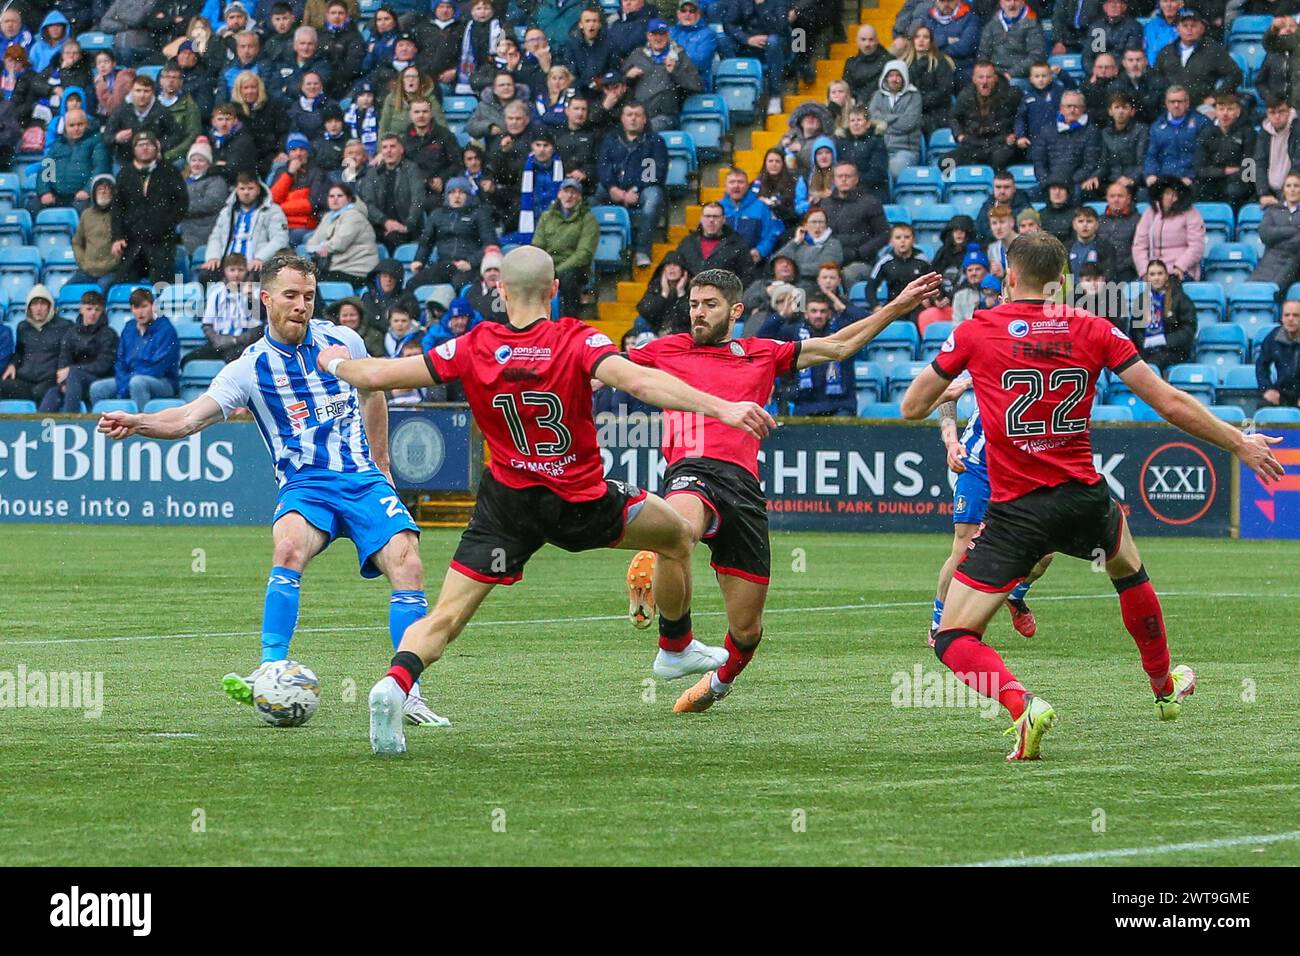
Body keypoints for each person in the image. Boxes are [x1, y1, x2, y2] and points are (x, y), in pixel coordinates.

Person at [315, 246, 776, 753]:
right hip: (580, 500)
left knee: (445, 617)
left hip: (506, 508)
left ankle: (394, 683)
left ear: (500, 291)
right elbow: (641, 382)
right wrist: (724, 408)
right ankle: (674, 645)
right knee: (676, 536)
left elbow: (375, 376)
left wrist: (334, 358)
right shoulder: (576, 339)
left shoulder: (474, 344)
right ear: (555, 289)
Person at [900, 231, 1284, 760]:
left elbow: (910, 406)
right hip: (1084, 498)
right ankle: (1163, 687)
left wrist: (958, 379)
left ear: (1009, 276)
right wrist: (1238, 441)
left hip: (1017, 511)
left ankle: (1022, 704)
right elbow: (1168, 402)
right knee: (1129, 572)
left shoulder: (976, 330)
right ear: (1062, 282)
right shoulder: (1093, 327)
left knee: (952, 637)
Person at [97, 252, 449, 727]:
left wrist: (382, 462)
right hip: (306, 485)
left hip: (363, 479)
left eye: (308, 295)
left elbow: (374, 391)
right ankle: (269, 668)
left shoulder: (343, 340)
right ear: (266, 299)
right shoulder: (249, 368)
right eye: (290, 295)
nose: (302, 305)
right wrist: (138, 421)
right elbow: (187, 417)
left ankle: (407, 691)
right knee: (287, 548)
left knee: (409, 563)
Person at [622, 267, 943, 714]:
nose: (698, 313)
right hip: (690, 468)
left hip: (744, 488)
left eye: (709, 305)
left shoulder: (762, 352)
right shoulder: (663, 350)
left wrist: (896, 307)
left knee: (748, 632)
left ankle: (715, 684)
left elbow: (840, 345)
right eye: (694, 304)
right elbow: (602, 370)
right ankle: (673, 642)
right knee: (677, 532)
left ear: (735, 310)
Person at [930, 380, 1052, 646]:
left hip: (1022, 471)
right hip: (977, 468)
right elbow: (946, 395)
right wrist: (951, 442)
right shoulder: (988, 352)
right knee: (963, 550)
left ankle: (1015, 595)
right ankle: (939, 621)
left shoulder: (1053, 367)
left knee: (1045, 553)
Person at [111, 129, 189, 286]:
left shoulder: (170, 171)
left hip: (161, 242)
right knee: (124, 287)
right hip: (132, 242)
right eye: (140, 145)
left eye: (149, 144)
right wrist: (117, 237)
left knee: (162, 285)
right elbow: (117, 208)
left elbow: (182, 203)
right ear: (134, 149)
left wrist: (165, 223)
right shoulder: (125, 174)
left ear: (156, 148)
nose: (145, 148)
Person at [596, 101, 666, 269]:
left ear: (644, 119)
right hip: (613, 189)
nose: (633, 119)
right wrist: (613, 188)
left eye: (637, 115)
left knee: (653, 196)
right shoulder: (611, 140)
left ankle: (642, 250)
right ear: (622, 118)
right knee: (594, 196)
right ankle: (598, 249)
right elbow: (603, 167)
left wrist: (634, 190)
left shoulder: (654, 141)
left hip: (640, 191)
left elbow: (654, 173)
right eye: (629, 115)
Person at [86, 288, 179, 411]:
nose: (140, 312)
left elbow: (159, 367)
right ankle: (104, 426)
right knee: (98, 388)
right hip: (129, 379)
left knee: (138, 383)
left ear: (153, 306)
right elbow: (120, 361)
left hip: (163, 382)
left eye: (144, 306)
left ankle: (142, 425)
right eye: (136, 308)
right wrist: (125, 381)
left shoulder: (166, 329)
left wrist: (128, 381)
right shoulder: (129, 328)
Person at [409, 176, 495, 288]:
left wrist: (471, 262)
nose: (457, 196)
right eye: (452, 192)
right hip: (444, 265)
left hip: (468, 267)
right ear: (447, 196)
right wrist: (419, 260)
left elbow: (491, 244)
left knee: (458, 284)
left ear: (468, 196)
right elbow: (426, 242)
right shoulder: (437, 214)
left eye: (461, 192)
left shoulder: (479, 214)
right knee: (412, 283)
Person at [530, 178, 598, 316]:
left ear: (579, 197)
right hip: (548, 266)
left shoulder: (588, 219)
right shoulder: (546, 216)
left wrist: (557, 271)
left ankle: (569, 321)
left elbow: (584, 254)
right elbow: (537, 246)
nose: (569, 196)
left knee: (569, 279)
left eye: (574, 193)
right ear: (559, 194)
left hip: (575, 268)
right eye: (566, 192)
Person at [202, 172, 291, 277]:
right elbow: (215, 237)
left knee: (260, 276)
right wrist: (213, 257)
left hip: (257, 264)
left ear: (258, 190)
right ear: (236, 190)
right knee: (206, 275)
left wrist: (260, 258)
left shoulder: (273, 210)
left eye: (250, 188)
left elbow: (280, 239)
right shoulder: (227, 212)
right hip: (228, 264)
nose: (246, 192)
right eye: (242, 189)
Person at [185, 252, 261, 365]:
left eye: (240, 270)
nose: (236, 274)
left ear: (246, 271)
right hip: (218, 343)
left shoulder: (254, 292)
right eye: (232, 270)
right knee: (187, 360)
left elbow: (258, 329)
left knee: (233, 360)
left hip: (243, 344)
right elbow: (207, 325)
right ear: (225, 271)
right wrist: (218, 340)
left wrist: (235, 340)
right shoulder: (216, 292)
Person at [0, 285, 71, 406]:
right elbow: (19, 352)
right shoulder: (23, 327)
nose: (38, 308)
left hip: (50, 380)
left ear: (50, 306)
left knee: (39, 392)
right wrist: (13, 364)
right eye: (34, 304)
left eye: (43, 304)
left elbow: (69, 353)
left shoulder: (65, 326)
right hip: (25, 379)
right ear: (29, 307)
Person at [306, 181, 380, 285]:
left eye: (340, 196)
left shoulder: (354, 216)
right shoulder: (328, 216)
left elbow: (338, 244)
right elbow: (312, 242)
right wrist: (318, 247)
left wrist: (320, 247)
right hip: (337, 269)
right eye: (331, 196)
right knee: (306, 279)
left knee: (311, 282)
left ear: (349, 199)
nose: (335, 199)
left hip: (358, 271)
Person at [1132, 177, 1205, 279]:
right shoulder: (1150, 213)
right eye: (1167, 193)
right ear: (1160, 195)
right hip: (1153, 271)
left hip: (1181, 271)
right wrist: (1144, 270)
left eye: (1175, 195)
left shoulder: (1191, 214)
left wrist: (1180, 266)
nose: (1171, 198)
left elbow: (1197, 246)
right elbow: (1139, 246)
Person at [1132, 258, 1196, 370]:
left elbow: (1188, 330)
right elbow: (1135, 328)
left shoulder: (1180, 298)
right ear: (1147, 278)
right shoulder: (1142, 299)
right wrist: (1144, 341)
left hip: (1174, 351)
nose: (1156, 278)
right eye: (1152, 274)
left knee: (1153, 363)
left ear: (1166, 276)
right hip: (1147, 350)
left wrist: (1165, 340)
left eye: (1160, 273)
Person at [1194, 90, 1256, 208]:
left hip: (1237, 182)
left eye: (1230, 109)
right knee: (1195, 190)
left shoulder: (1248, 133)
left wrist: (1222, 173)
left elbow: (1248, 170)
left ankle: (1233, 224)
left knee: (1234, 191)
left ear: (1238, 112)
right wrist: (1224, 171)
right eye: (1221, 109)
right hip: (1212, 181)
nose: (1225, 114)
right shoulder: (1206, 133)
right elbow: (1199, 169)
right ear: (1215, 111)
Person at [868, 59, 922, 179]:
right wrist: (897, 118)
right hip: (879, 148)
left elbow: (908, 124)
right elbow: (871, 119)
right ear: (885, 77)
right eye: (891, 75)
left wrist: (884, 122)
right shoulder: (878, 95)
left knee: (893, 170)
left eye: (898, 75)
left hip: (905, 150)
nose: (894, 79)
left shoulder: (914, 95)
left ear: (904, 77)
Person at [181, 138, 230, 253]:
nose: (196, 164)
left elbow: (212, 203)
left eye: (201, 160)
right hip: (181, 229)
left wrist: (182, 207)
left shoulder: (216, 181)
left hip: (202, 229)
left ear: (208, 163)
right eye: (193, 160)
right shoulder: (182, 180)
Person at [977, 0, 1045, 79]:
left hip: (1020, 76)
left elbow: (1036, 56)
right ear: (1001, 3)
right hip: (993, 75)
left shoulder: (1032, 24)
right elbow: (983, 53)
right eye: (1008, 0)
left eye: (1016, 0)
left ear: (1023, 2)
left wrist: (1011, 74)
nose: (1012, 4)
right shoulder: (991, 25)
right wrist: (988, 73)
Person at [1256, 299, 1300, 408]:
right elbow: (1261, 366)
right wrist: (1268, 389)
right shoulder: (1273, 337)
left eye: (1296, 315)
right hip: (1282, 392)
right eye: (1287, 315)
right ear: (1281, 318)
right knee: (1263, 407)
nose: (1291, 319)